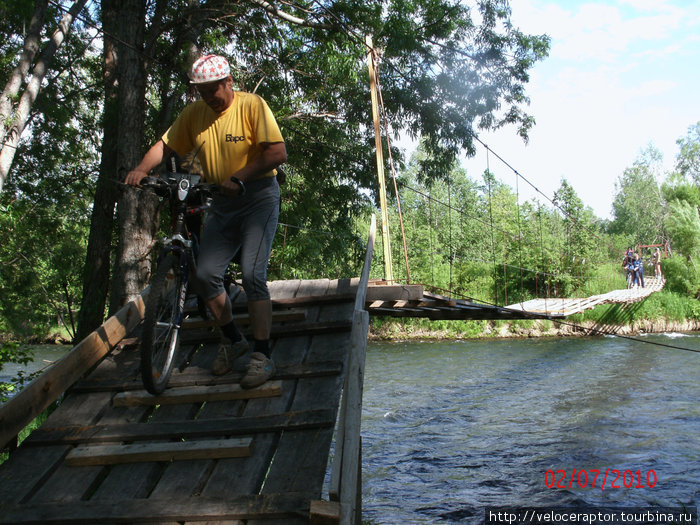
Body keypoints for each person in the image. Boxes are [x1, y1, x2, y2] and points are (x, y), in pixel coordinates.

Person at [126, 54, 287, 389]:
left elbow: (276, 153)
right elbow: (165, 145)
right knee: (204, 276)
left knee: (253, 274)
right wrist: (142, 169)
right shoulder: (194, 114)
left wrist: (241, 176)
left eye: (213, 90)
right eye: (202, 92)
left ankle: (262, 356)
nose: (209, 97)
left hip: (258, 196)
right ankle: (233, 341)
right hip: (223, 202)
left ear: (229, 82)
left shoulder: (252, 105)